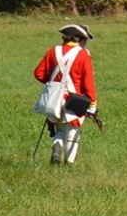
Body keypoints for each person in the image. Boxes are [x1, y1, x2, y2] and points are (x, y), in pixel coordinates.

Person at [34, 23, 99, 166]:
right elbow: (88, 82)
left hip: (54, 97)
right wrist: (93, 103)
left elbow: (38, 73)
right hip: (75, 100)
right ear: (80, 40)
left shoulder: (52, 51)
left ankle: (56, 153)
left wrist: (53, 84)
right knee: (73, 131)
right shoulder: (83, 55)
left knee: (60, 129)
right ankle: (69, 163)